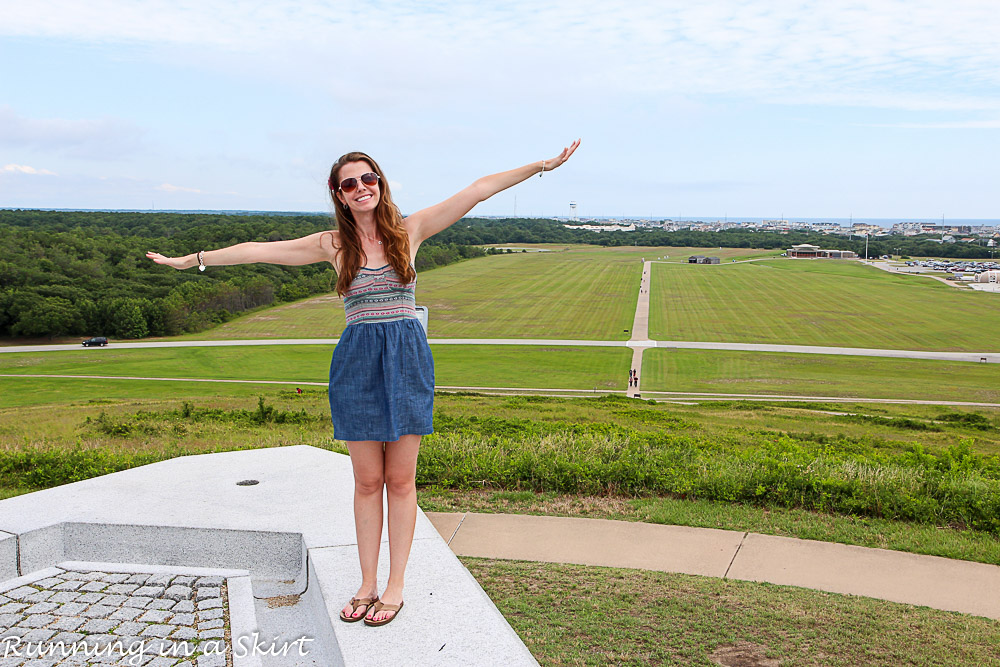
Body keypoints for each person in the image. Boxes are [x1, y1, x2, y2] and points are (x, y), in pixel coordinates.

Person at [145, 139, 580, 626]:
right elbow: (257, 251)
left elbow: (477, 190)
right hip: (356, 362)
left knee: (400, 480)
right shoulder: (332, 244)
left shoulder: (409, 231)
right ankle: (367, 582)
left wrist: (543, 166)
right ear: (339, 193)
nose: (361, 188)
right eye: (349, 183)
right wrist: (192, 260)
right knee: (367, 481)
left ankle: (395, 586)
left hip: (407, 360)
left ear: (380, 183)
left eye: (368, 178)